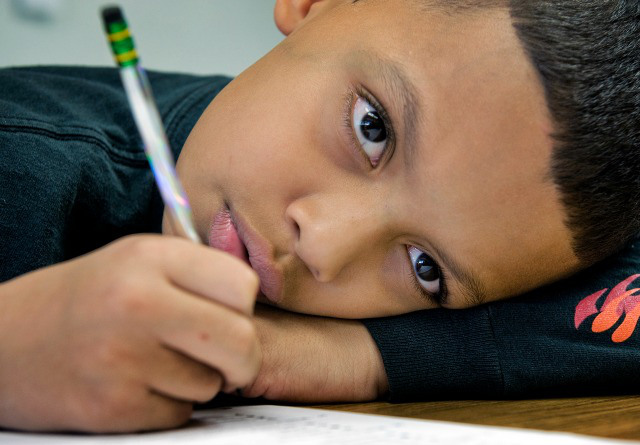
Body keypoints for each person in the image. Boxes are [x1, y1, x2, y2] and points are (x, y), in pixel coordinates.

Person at [0, 0, 638, 434]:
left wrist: (357, 356)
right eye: (372, 127)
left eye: (425, 267)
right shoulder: (23, 159)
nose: (325, 248)